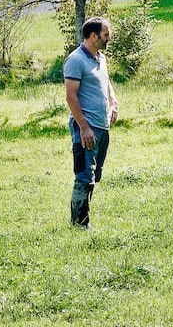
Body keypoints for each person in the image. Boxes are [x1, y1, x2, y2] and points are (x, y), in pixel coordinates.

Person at [64, 16, 119, 229]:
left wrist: (113, 102)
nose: (109, 38)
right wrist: (84, 127)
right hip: (86, 127)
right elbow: (71, 96)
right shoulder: (76, 60)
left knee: (95, 174)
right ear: (93, 36)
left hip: (102, 125)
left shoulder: (100, 58)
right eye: (106, 35)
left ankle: (82, 221)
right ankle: (79, 225)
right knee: (85, 174)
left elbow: (106, 82)